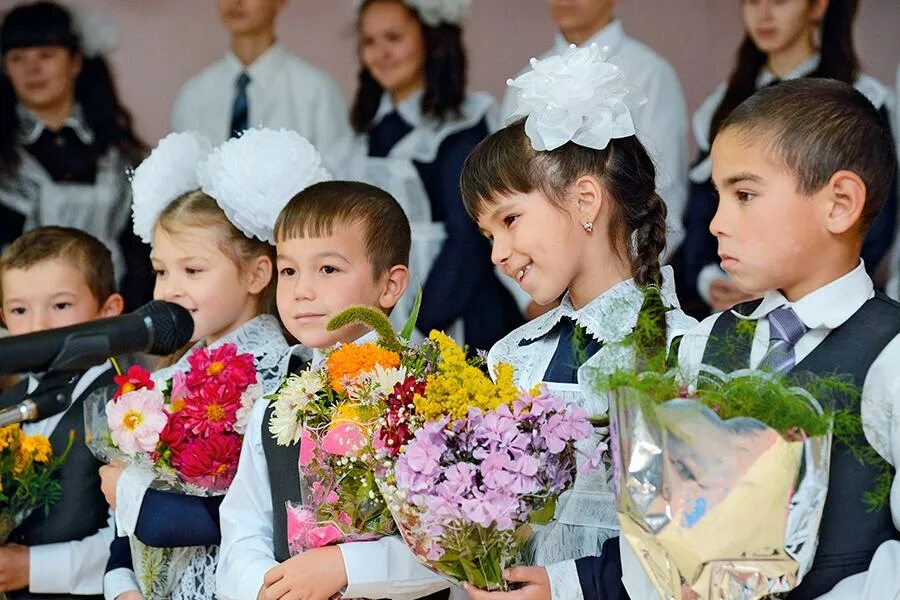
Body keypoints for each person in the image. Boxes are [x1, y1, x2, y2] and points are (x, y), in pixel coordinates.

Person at [574, 78, 900, 600]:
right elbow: (663, 517)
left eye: (745, 195)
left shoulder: (890, 356)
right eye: (718, 196)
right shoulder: (706, 343)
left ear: (839, 203)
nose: (719, 223)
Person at [458, 44, 696, 600]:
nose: (498, 253)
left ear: (586, 199)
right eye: (488, 235)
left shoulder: (687, 352)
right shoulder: (508, 358)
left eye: (510, 220)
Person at [100, 130, 316, 600]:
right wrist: (122, 588)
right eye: (161, 270)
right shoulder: (161, 382)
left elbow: (262, 516)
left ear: (258, 273)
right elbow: (120, 531)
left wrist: (133, 497)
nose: (170, 289)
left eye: (192, 270)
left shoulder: (283, 379)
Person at [217, 178, 452, 600]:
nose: (301, 290)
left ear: (390, 285)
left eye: (328, 269)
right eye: (289, 270)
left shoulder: (425, 394)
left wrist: (347, 567)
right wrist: (268, 587)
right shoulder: (275, 405)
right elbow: (244, 524)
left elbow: (458, 542)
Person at [681, 0, 898, 315]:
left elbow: (876, 221)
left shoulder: (859, 100)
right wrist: (711, 280)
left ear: (818, 6)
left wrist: (783, 283)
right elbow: (700, 213)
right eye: (752, 1)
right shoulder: (723, 103)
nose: (764, 13)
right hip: (729, 303)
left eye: (780, 0)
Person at [331, 0, 522, 350]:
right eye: (369, 41)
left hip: (457, 309)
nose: (381, 52)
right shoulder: (365, 133)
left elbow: (467, 238)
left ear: (431, 40)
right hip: (388, 300)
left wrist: (418, 329)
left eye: (394, 37)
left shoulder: (463, 125)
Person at [500, 0, 689, 260]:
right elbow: (506, 193)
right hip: (541, 277)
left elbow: (665, 189)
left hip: (624, 268)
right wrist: (528, 291)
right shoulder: (525, 83)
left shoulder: (650, 73)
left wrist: (624, 276)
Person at [0, 226, 125, 599]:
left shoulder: (127, 403)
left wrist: (34, 568)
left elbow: (132, 535)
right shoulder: (8, 403)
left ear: (108, 312)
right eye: (20, 310)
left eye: (60, 306)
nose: (38, 327)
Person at [0, 1, 151, 310]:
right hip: (25, 326)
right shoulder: (5, 156)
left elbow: (139, 250)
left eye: (46, 55)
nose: (32, 69)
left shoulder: (118, 151)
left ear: (76, 62)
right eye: (18, 58)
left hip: (114, 316)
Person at [171, 0, 350, 158]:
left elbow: (337, 179)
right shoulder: (193, 94)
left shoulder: (317, 91)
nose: (236, 1)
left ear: (280, 2)